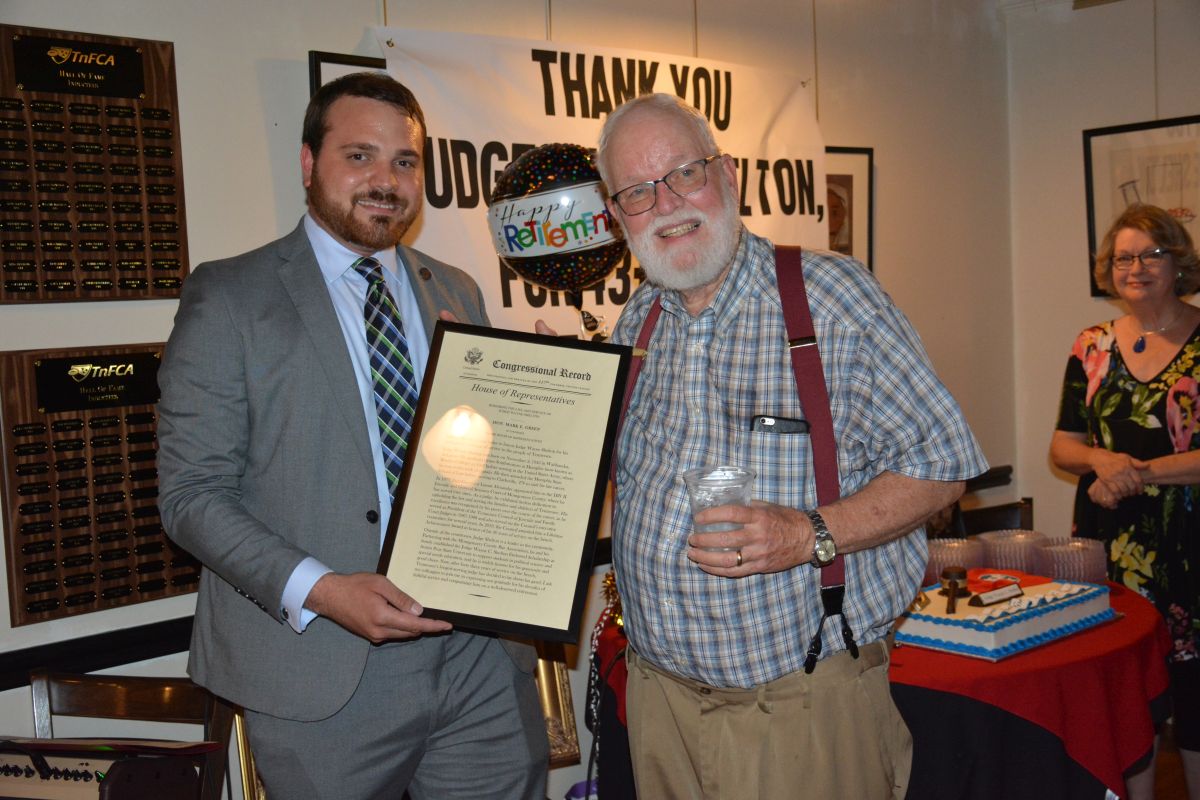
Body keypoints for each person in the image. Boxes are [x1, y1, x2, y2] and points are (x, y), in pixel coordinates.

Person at [157, 73, 548, 800]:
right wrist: (324, 590)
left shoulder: (456, 290)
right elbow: (190, 496)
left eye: (404, 162)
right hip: (322, 667)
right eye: (359, 156)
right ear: (308, 164)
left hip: (477, 662)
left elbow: (476, 463)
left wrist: (544, 415)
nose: (385, 180)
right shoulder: (230, 297)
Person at [594, 93, 987, 799]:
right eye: (639, 191)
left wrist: (808, 534)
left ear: (730, 175)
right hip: (660, 705)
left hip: (802, 705)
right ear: (616, 212)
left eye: (685, 173)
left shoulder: (830, 298)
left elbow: (944, 464)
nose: (668, 203)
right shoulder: (637, 320)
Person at [1051, 203, 1200, 800]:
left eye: (1151, 255)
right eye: (1123, 257)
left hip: (1188, 550)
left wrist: (1138, 472)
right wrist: (1101, 461)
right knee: (1124, 700)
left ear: (1179, 262)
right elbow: (1063, 444)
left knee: (1193, 700)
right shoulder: (1091, 345)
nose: (1136, 267)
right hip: (1107, 547)